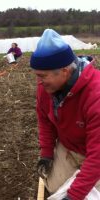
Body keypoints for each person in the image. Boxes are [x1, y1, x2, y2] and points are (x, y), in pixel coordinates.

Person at [31, 29, 100, 200]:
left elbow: (97, 155)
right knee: (54, 189)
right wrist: (46, 153)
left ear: (64, 71)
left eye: (43, 76)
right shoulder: (46, 88)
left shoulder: (95, 95)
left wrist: (74, 196)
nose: (39, 82)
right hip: (69, 146)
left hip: (95, 153)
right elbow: (45, 120)